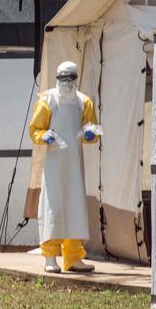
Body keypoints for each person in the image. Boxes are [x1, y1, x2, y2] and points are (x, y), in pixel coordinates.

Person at [28, 60, 100, 274]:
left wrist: (90, 133)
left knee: (75, 207)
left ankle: (73, 258)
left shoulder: (83, 102)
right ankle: (50, 256)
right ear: (57, 78)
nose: (66, 82)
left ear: (75, 78)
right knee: (53, 207)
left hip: (74, 165)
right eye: (62, 78)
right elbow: (35, 130)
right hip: (54, 165)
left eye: (70, 78)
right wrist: (44, 136)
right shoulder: (47, 100)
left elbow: (92, 129)